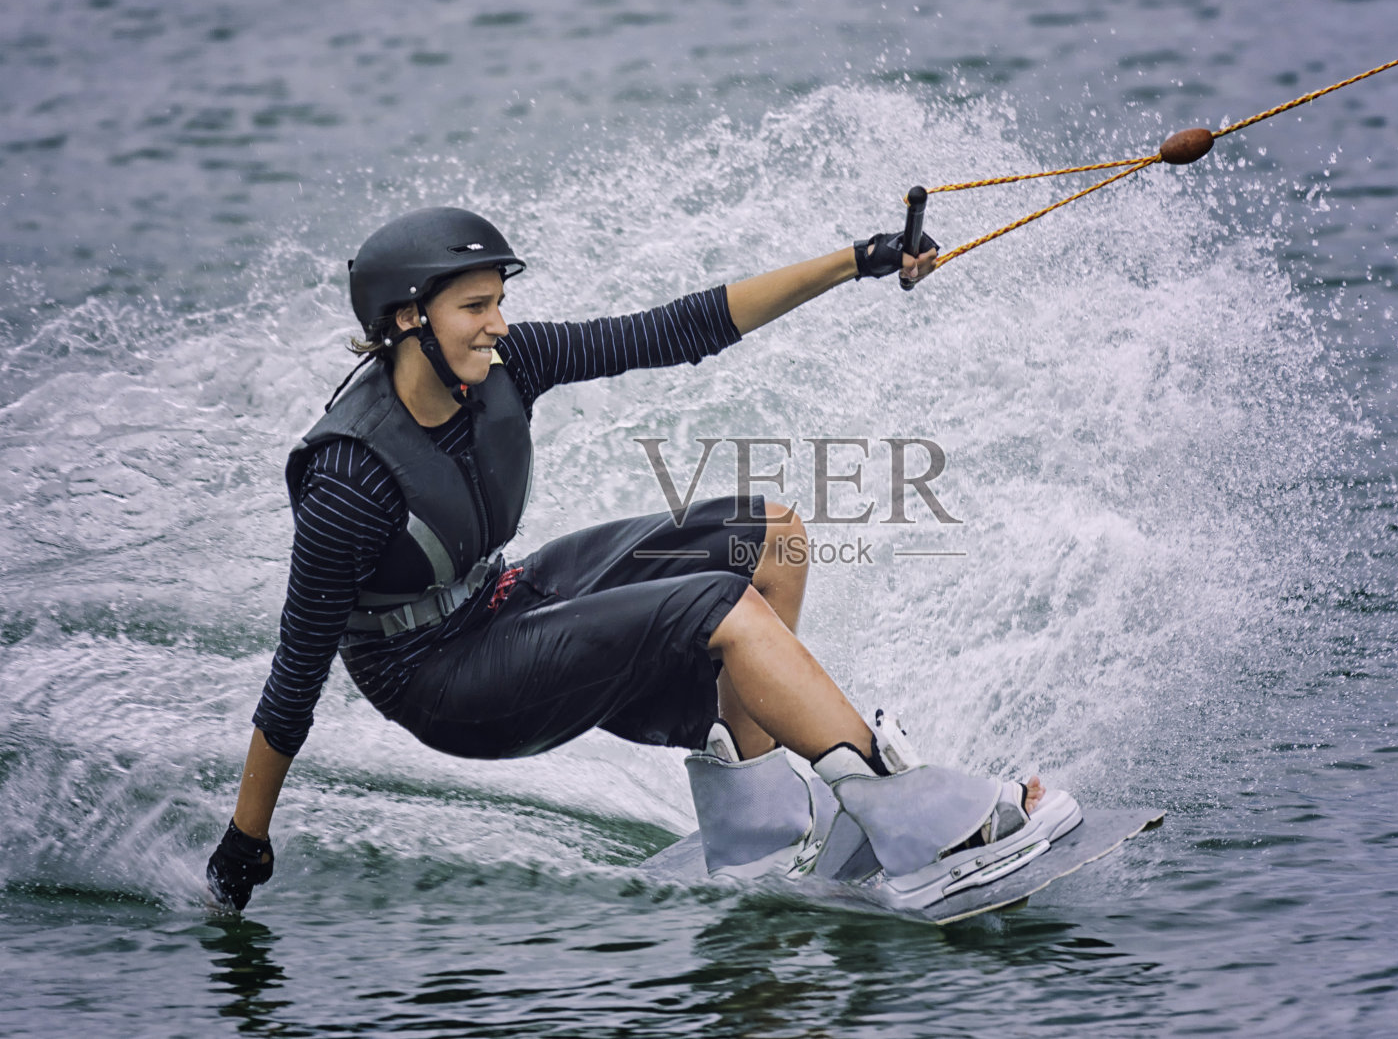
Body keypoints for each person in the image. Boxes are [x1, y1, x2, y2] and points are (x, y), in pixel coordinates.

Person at [205, 206, 1081, 911]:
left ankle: (760, 833)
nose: (498, 324)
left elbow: (677, 329)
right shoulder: (351, 479)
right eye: (475, 308)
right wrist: (248, 840)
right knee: (715, 606)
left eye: (497, 303)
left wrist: (857, 259)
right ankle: (917, 819)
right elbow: (294, 677)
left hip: (498, 600)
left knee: (768, 535)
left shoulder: (513, 362)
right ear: (408, 319)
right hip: (436, 681)